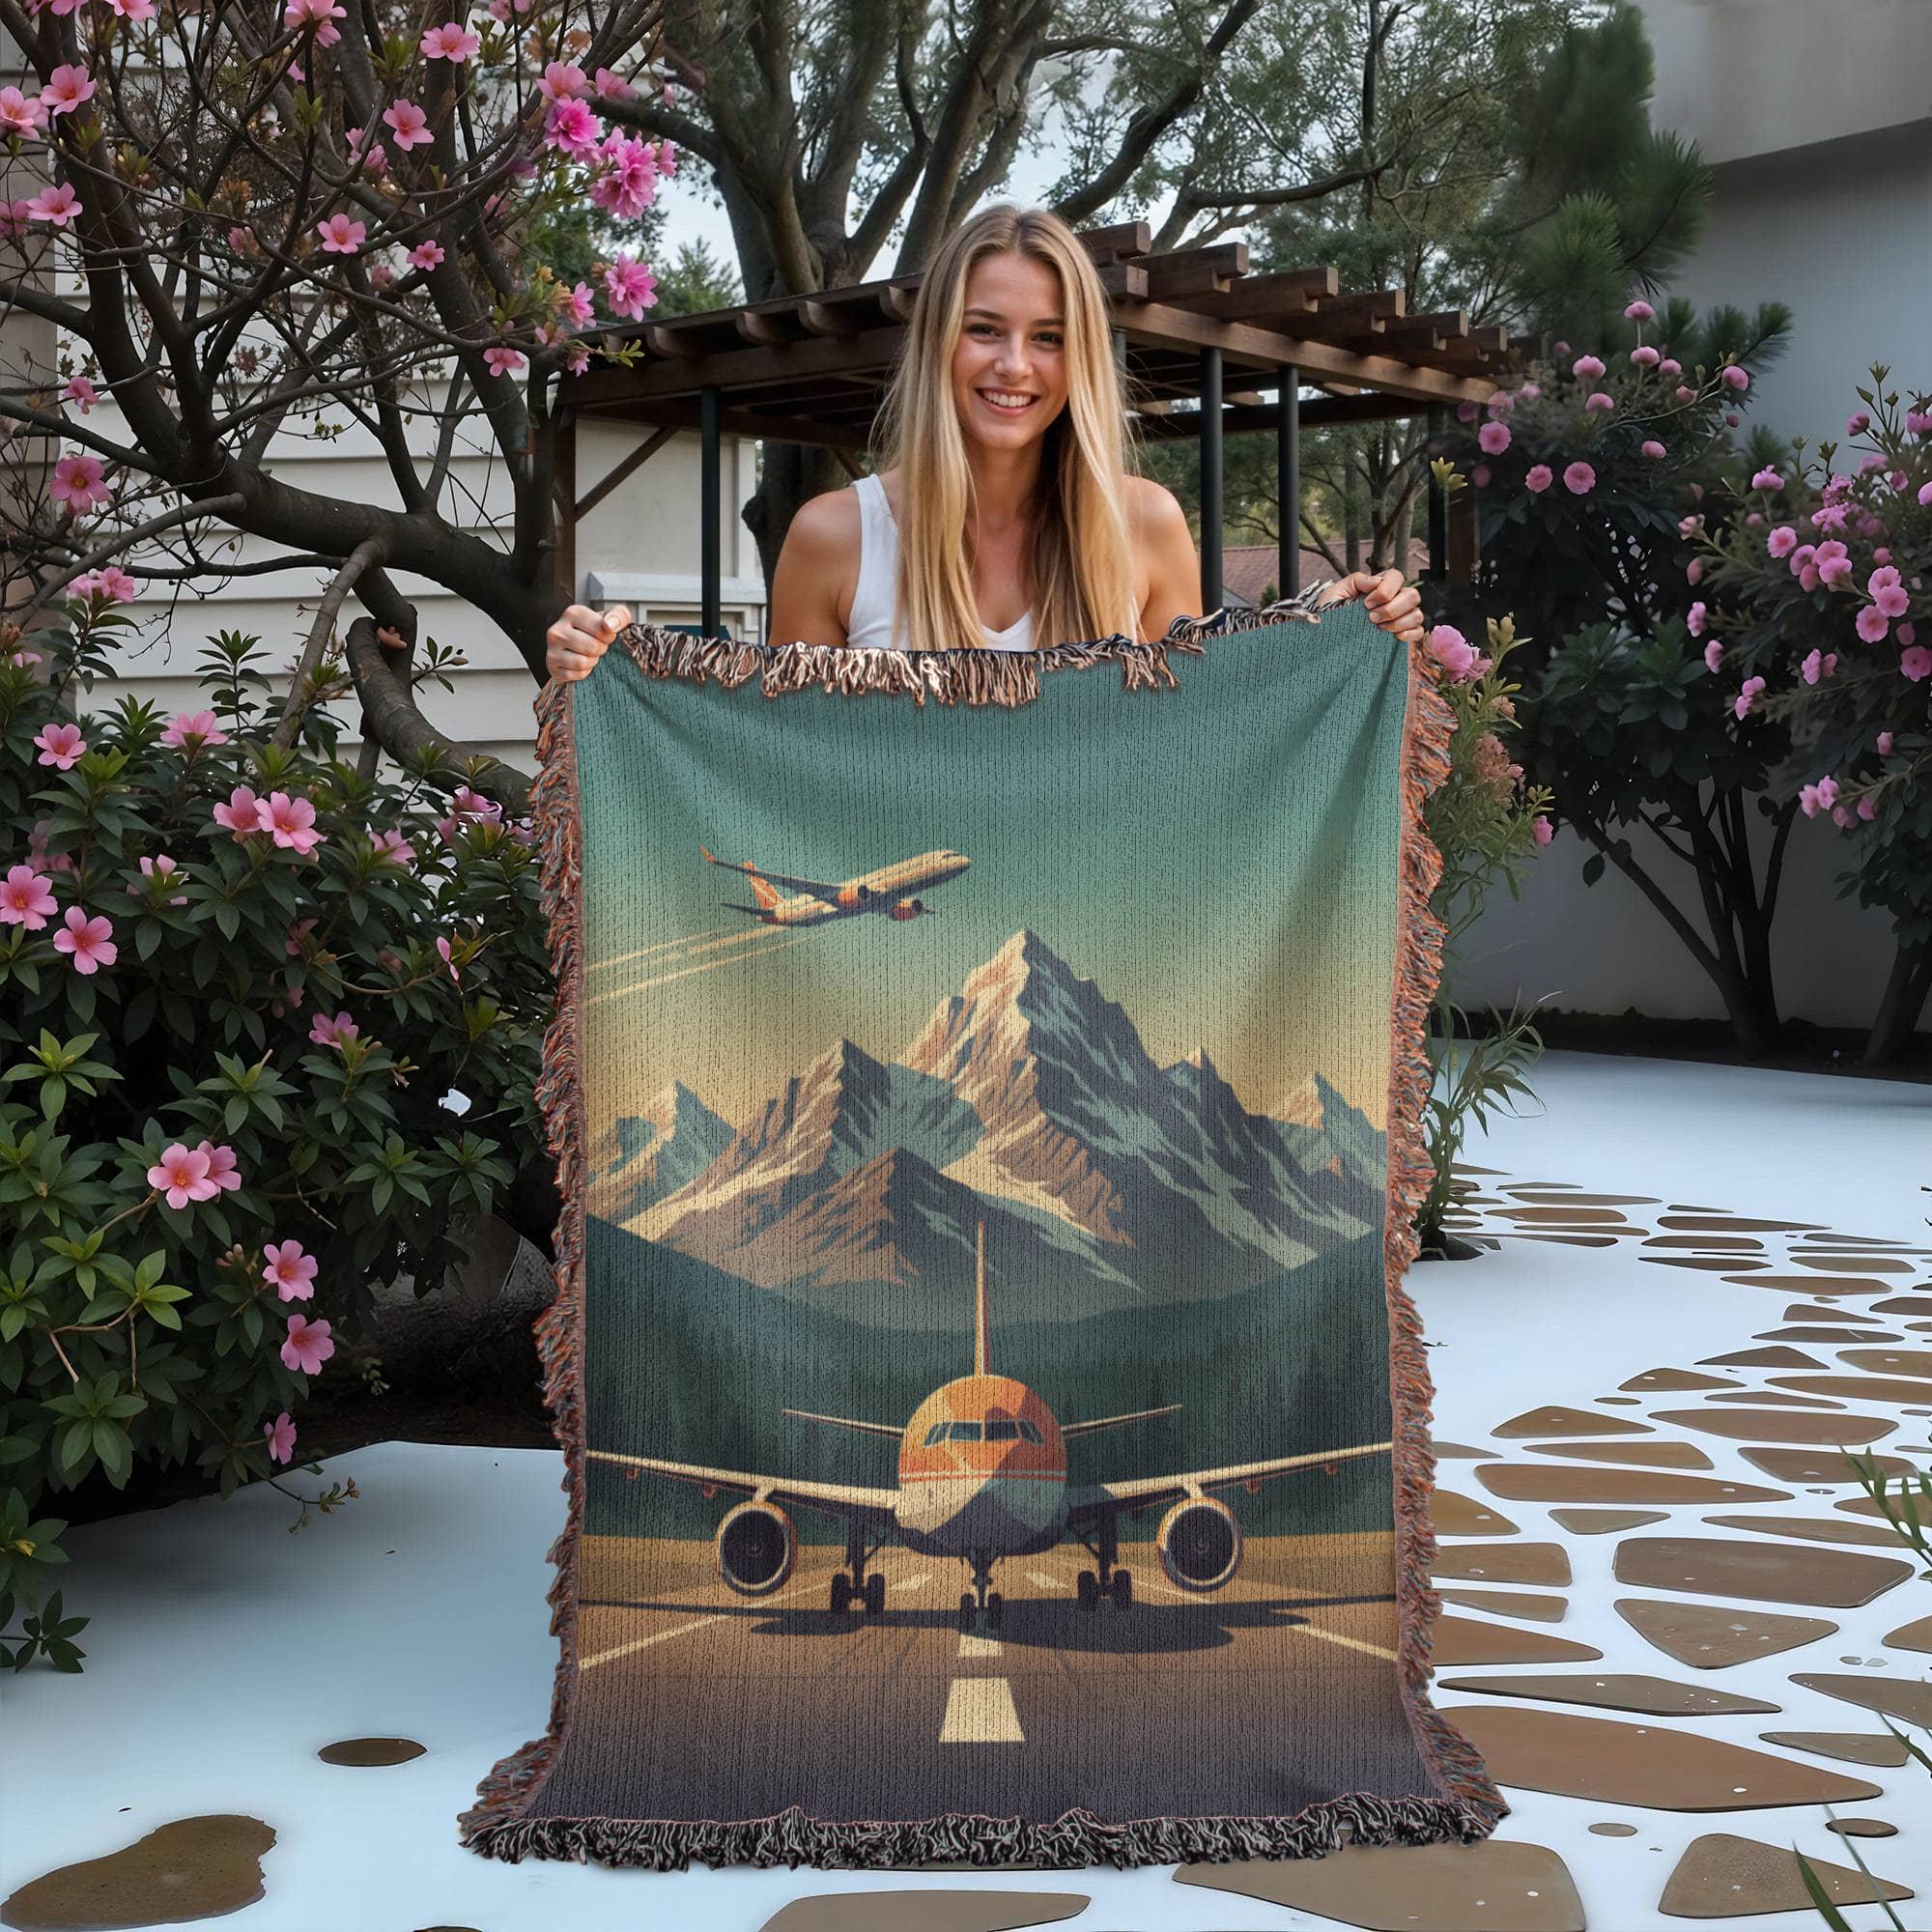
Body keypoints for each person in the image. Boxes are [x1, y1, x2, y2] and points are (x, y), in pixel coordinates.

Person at [546, 204, 1423, 683]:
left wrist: (1337, 632)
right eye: (984, 329)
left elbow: (1204, 740)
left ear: (1080, 359)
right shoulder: (833, 537)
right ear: (939, 343)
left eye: (1048, 338)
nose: (1014, 365)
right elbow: (778, 772)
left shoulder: (1146, 525)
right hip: (899, 946)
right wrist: (619, 673)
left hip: (1097, 938)